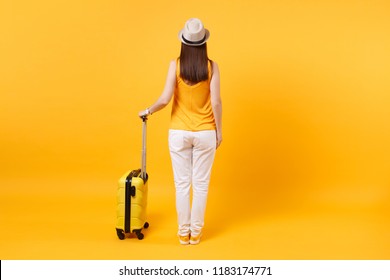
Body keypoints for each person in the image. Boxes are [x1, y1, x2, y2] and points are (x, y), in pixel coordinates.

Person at [138, 18, 222, 245]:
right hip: (205, 132)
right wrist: (219, 130)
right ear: (203, 42)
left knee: (182, 184)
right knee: (201, 184)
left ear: (183, 42)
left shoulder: (174, 65)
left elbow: (165, 99)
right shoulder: (212, 66)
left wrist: (148, 110)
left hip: (179, 132)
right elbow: (216, 102)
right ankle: (196, 233)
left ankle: (183, 233)